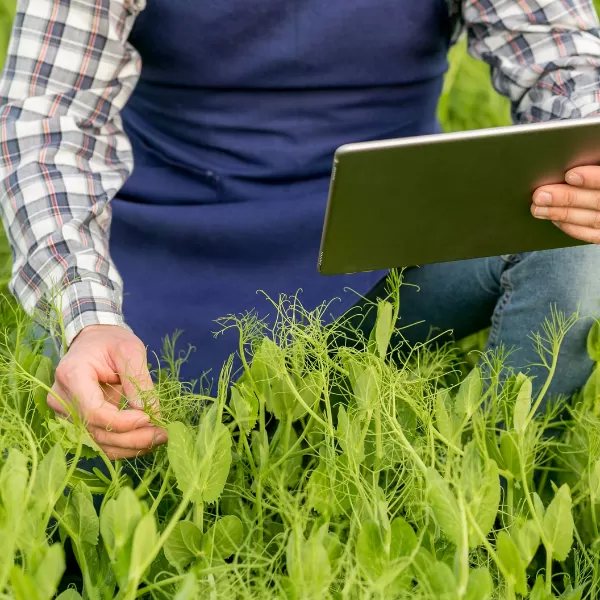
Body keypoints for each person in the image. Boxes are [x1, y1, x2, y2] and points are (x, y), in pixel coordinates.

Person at [1, 0, 600, 460]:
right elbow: (47, 123)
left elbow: (562, 62)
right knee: (100, 476)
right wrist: (87, 315)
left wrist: (588, 163)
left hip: (394, 266)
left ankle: (487, 493)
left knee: (581, 244)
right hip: (164, 275)